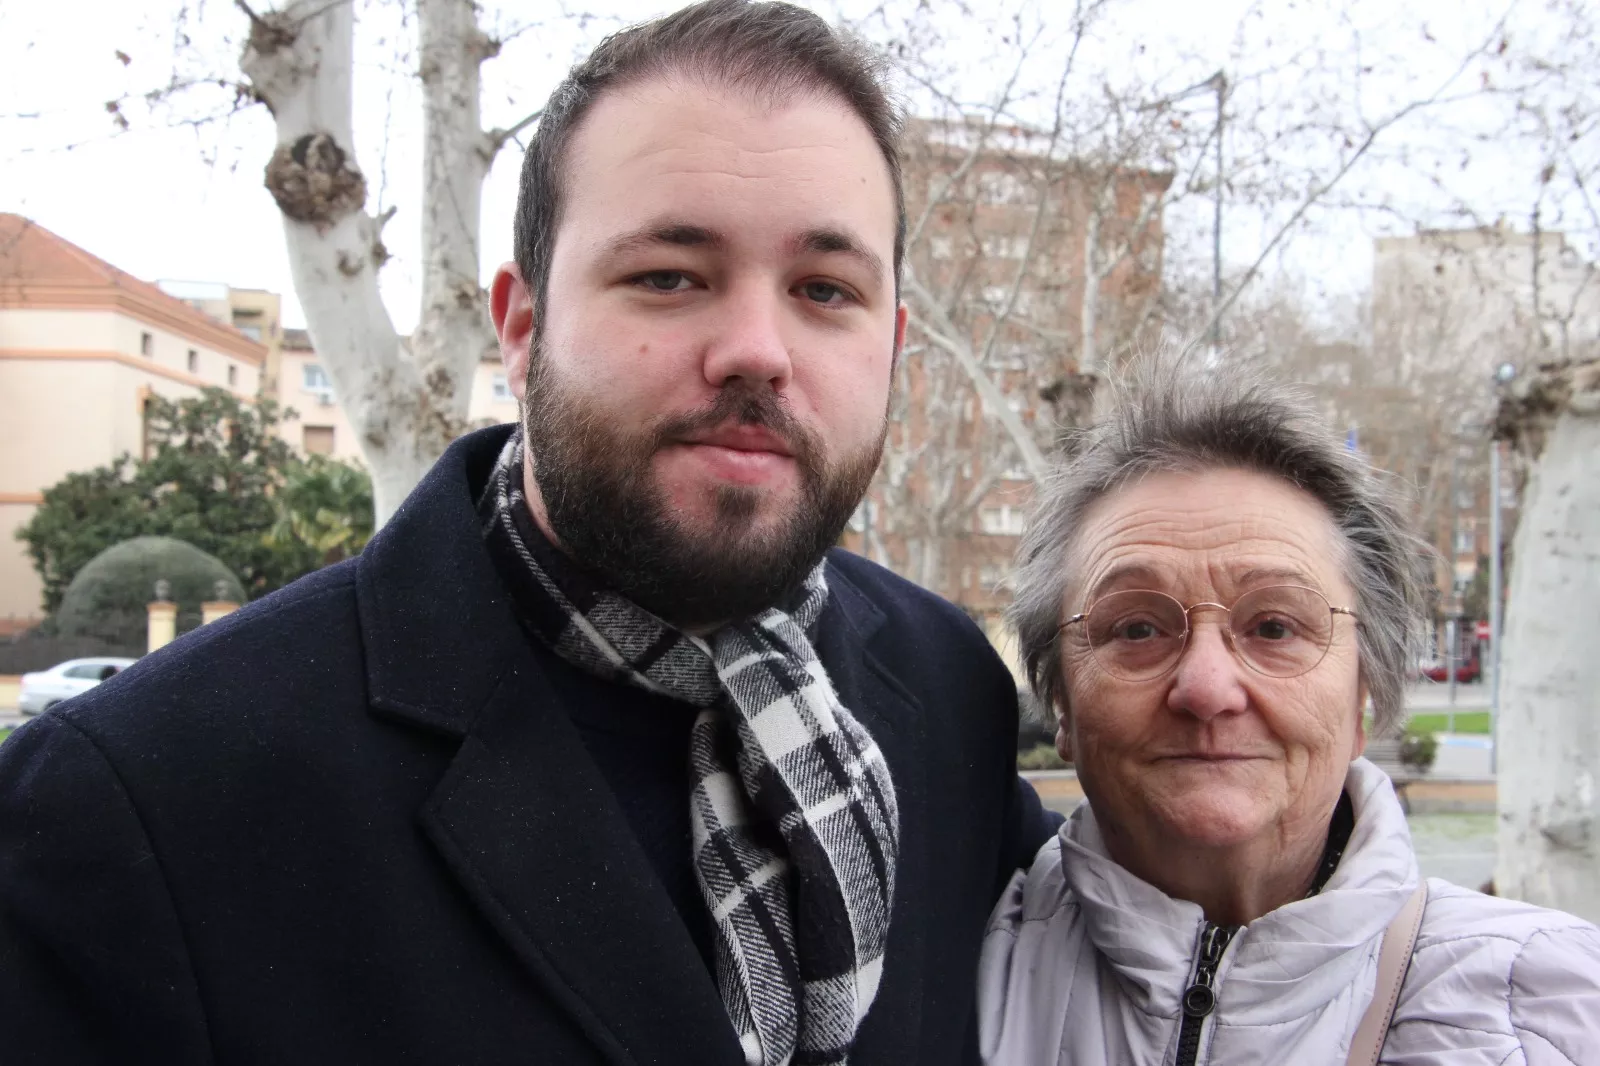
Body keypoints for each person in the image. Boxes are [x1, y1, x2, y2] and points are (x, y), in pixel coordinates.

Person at [0, 3, 1054, 1063]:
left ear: (892, 348)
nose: (755, 349)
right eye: (669, 276)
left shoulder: (949, 692)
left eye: (825, 290)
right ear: (521, 326)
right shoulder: (141, 803)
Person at [977, 357, 1600, 1065]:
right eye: (1138, 628)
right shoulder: (941, 957)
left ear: (1365, 694)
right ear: (1061, 700)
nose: (1207, 688)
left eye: (1274, 627)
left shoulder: (1546, 1012)